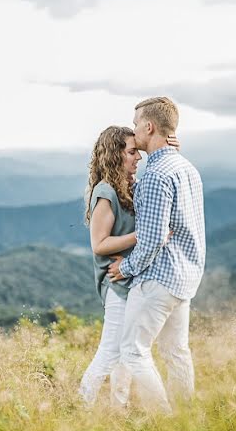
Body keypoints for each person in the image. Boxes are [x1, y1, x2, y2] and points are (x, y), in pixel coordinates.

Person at [107, 97, 205, 413]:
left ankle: (164, 422)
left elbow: (151, 239)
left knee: (133, 351)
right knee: (176, 351)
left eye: (135, 124)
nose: (133, 132)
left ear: (148, 126)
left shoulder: (155, 175)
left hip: (158, 279)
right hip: (186, 276)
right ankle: (186, 421)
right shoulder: (186, 168)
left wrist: (127, 268)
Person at [78, 126, 180, 407]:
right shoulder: (105, 192)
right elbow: (99, 244)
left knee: (124, 355)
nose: (138, 158)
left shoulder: (130, 186)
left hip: (131, 280)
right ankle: (81, 405)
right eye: (132, 152)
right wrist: (144, 235)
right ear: (115, 155)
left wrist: (170, 149)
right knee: (110, 352)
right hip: (116, 283)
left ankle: (118, 409)